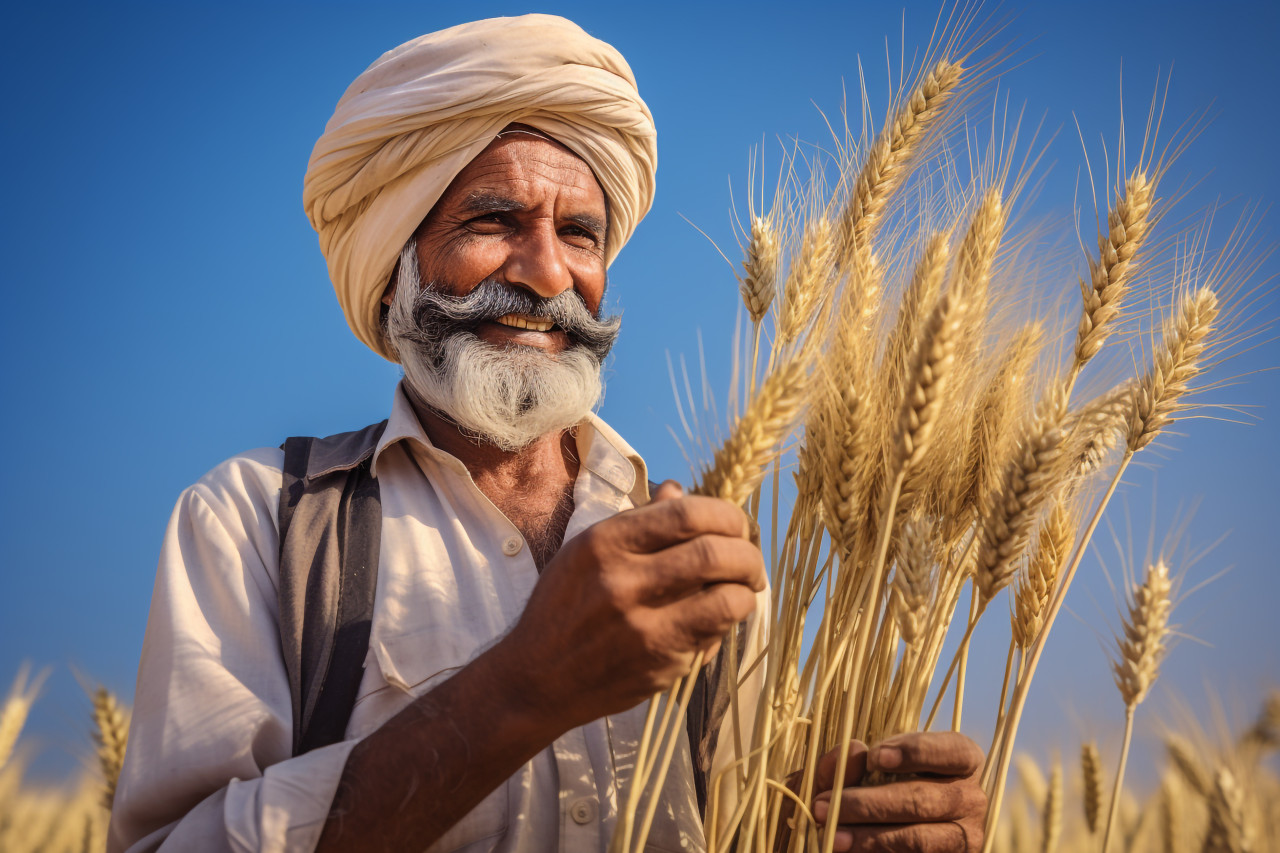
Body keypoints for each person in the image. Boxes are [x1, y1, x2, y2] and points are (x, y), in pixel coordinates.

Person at [110, 14, 986, 853]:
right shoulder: (263, 524)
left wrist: (846, 819)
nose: (545, 273)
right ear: (390, 270)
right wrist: (523, 688)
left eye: (579, 233)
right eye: (493, 222)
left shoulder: (708, 552)